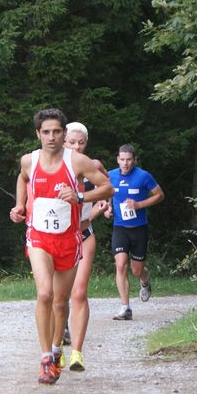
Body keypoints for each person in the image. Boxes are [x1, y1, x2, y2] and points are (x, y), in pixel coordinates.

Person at [9, 109, 113, 384]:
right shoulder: (29, 161)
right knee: (44, 293)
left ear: (63, 133)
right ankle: (46, 358)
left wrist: (80, 196)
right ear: (38, 134)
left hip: (68, 239)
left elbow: (108, 188)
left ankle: (57, 350)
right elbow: (22, 177)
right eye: (46, 132)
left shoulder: (77, 161)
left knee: (60, 301)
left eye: (56, 131)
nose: (51, 137)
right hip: (39, 237)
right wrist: (20, 205)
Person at [60, 121, 109, 372]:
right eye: (72, 142)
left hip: (84, 235)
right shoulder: (53, 167)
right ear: (63, 142)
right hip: (58, 238)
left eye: (81, 142)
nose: (77, 147)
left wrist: (100, 207)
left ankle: (76, 353)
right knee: (57, 297)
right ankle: (56, 348)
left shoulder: (93, 165)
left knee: (79, 293)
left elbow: (108, 188)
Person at [104, 144, 164, 320]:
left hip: (139, 229)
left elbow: (159, 195)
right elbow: (108, 194)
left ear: (134, 160)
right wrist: (107, 208)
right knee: (120, 265)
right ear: (117, 159)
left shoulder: (143, 176)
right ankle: (125, 308)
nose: (125, 163)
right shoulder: (110, 175)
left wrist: (139, 205)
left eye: (129, 159)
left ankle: (145, 280)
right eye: (122, 159)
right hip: (120, 228)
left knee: (137, 270)